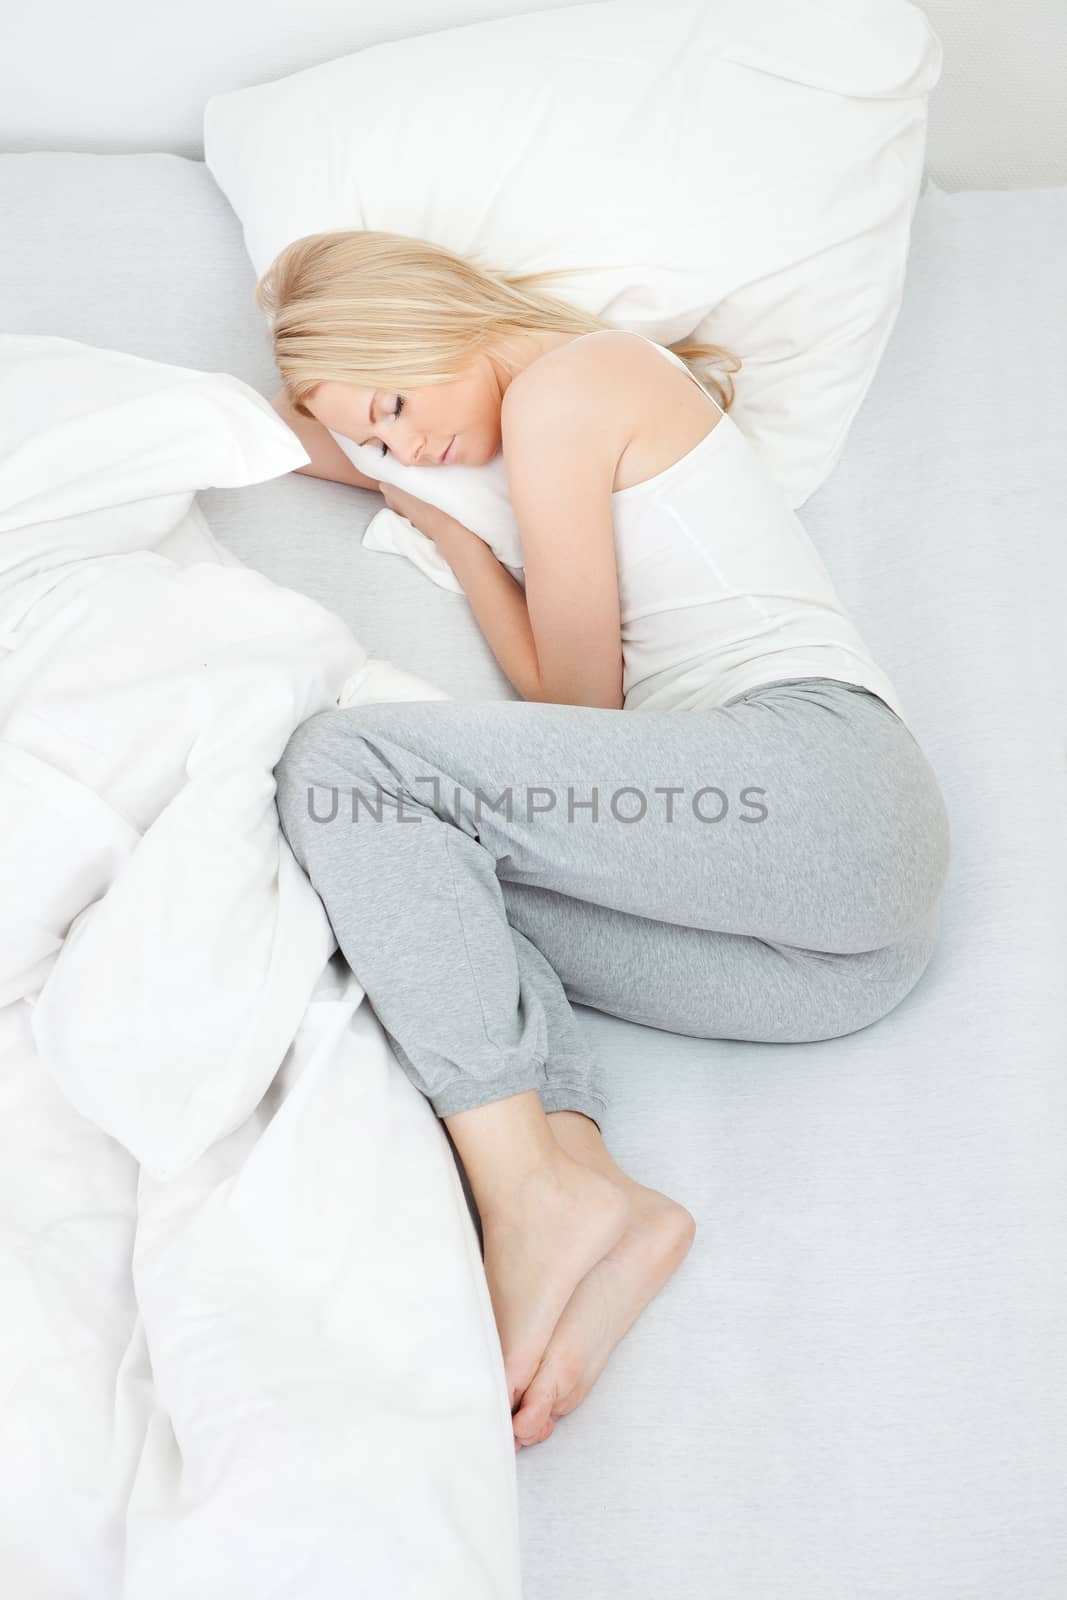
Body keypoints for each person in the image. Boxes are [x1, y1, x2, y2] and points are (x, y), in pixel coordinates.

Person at [259, 229, 951, 1452]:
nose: (399, 447)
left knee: (347, 763)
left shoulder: (575, 385)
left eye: (395, 405)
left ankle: (519, 1195)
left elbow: (580, 710)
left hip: (827, 785)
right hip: (832, 961)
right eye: (377, 437)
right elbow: (297, 435)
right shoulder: (514, 417)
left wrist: (454, 534)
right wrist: (393, 465)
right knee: (421, 892)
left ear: (426, 325)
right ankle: (586, 1189)